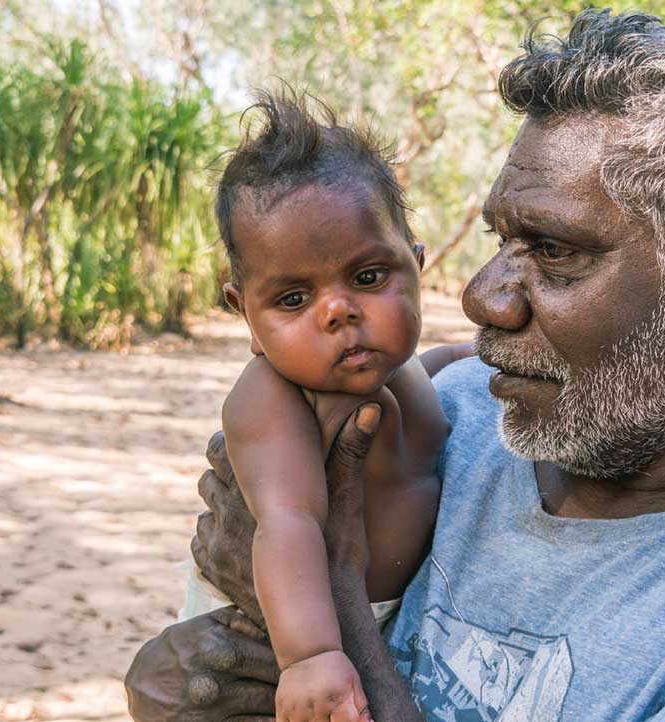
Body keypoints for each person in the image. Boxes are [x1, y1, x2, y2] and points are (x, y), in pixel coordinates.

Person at [126, 10, 665, 722]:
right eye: (503, 239)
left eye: (555, 249)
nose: (484, 296)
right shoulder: (451, 410)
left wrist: (340, 606)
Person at [206, 91, 449, 722]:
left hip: (393, 618)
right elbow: (287, 521)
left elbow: (442, 367)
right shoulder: (274, 398)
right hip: (289, 626)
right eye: (292, 299)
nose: (338, 311)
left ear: (416, 265)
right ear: (246, 315)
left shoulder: (409, 369)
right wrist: (310, 655)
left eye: (368, 278)